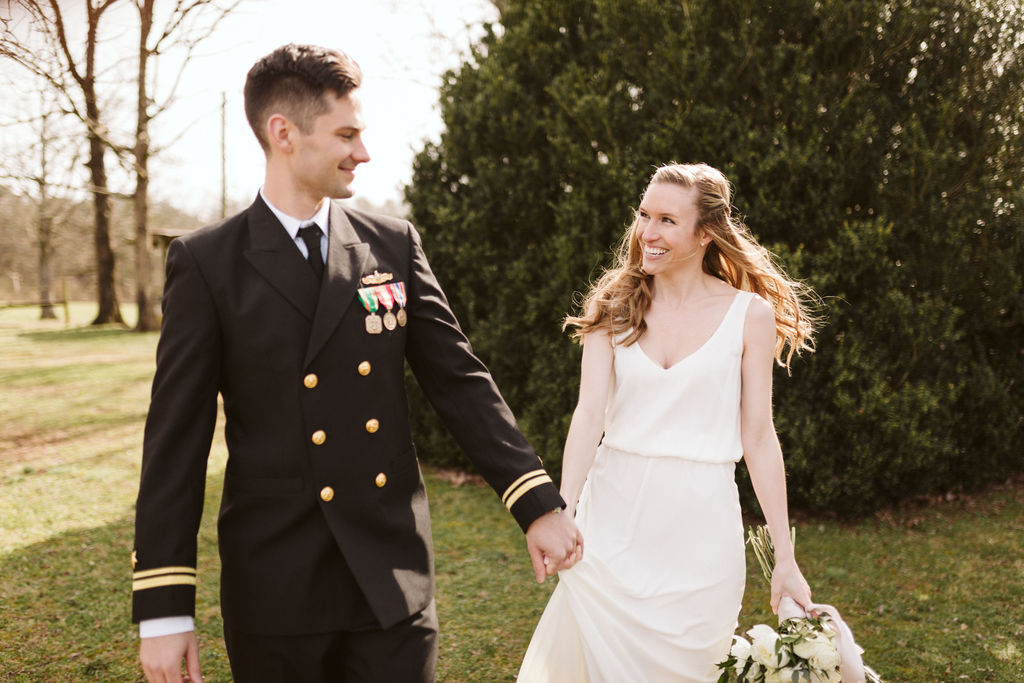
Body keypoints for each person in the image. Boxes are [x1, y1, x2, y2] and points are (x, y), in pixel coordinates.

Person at [131, 43, 582, 683]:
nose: (362, 153)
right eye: (347, 134)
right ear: (282, 133)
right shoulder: (209, 264)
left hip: (391, 575)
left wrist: (535, 501)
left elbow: (458, 379)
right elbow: (175, 440)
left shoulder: (391, 242)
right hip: (277, 586)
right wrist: (163, 608)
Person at [517, 162, 816, 682]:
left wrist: (784, 558)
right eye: (643, 215)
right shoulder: (613, 307)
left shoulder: (750, 316)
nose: (646, 233)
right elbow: (589, 416)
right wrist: (563, 508)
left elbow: (760, 438)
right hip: (610, 526)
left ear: (705, 234)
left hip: (701, 536)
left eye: (666, 221)